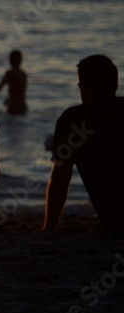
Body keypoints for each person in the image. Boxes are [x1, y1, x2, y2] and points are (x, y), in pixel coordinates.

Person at [39, 55, 124, 232]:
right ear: (115, 84)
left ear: (83, 87)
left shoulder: (73, 120)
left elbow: (60, 178)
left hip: (115, 221)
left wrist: (49, 227)